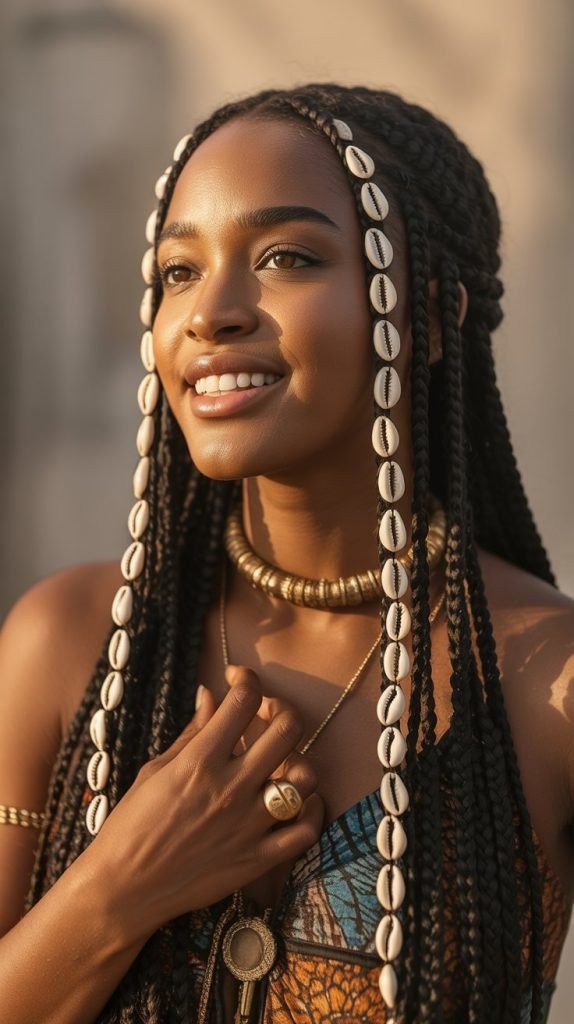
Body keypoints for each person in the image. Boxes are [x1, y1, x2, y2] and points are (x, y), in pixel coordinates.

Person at [0, 83, 572, 1024]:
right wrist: (121, 886)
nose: (210, 311)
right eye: (178, 271)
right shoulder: (67, 644)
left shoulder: (545, 687)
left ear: (426, 316)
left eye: (285, 257)